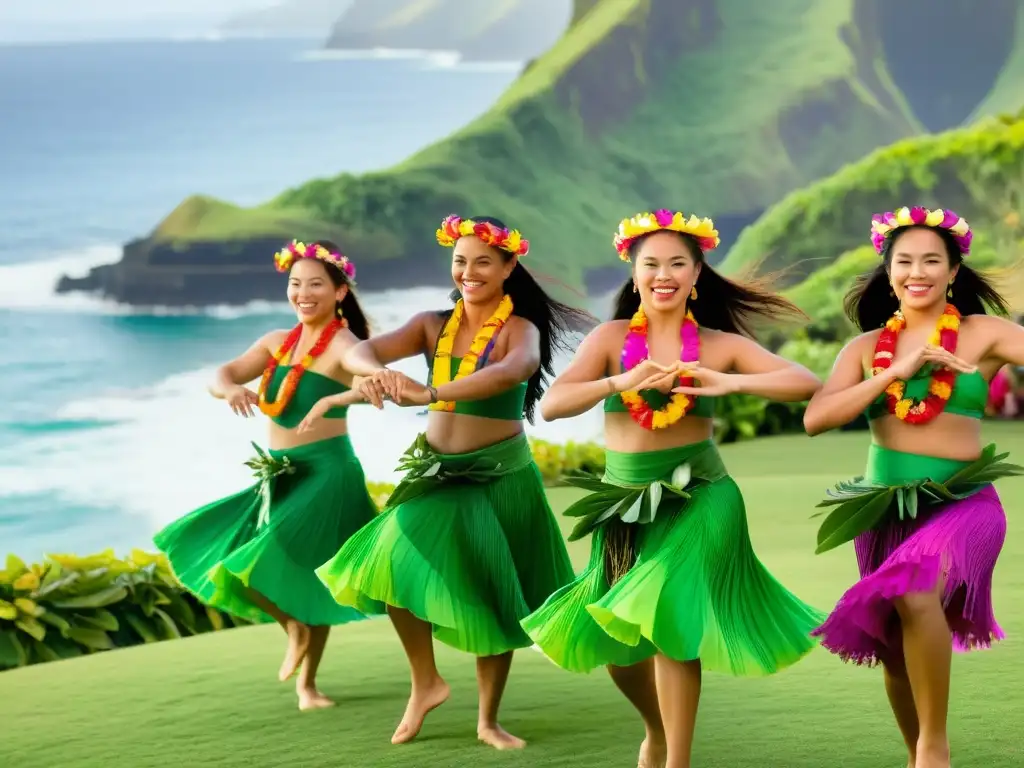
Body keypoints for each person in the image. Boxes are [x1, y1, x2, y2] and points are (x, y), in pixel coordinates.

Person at [519, 209, 826, 768]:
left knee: (671, 620)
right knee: (620, 648)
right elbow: (553, 405)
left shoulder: (715, 344)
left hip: (701, 495)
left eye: (677, 263)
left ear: (697, 273)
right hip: (625, 508)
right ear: (633, 275)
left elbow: (804, 382)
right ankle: (656, 733)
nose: (664, 274)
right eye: (651, 263)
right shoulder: (611, 341)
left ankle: (677, 761)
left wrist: (726, 379)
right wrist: (619, 381)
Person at [309, 215, 594, 750]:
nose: (469, 271)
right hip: (436, 473)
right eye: (460, 261)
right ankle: (427, 682)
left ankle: (489, 720)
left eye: (483, 261)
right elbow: (356, 350)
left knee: (493, 591)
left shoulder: (519, 330)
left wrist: (434, 392)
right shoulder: (430, 324)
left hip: (498, 474)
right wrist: (372, 371)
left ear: (509, 267)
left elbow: (515, 370)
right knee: (389, 558)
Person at [803, 206, 1024, 768]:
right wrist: (890, 374)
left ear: (954, 271)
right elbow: (817, 418)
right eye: (904, 261)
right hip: (884, 510)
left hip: (966, 504)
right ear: (888, 270)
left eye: (932, 260)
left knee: (914, 590)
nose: (917, 271)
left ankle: (933, 748)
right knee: (896, 651)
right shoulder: (864, 349)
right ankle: (916, 753)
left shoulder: (984, 335)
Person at [153, 240, 380, 711]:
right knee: (249, 563)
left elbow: (365, 369)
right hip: (279, 475)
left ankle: (307, 683)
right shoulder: (278, 343)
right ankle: (298, 642)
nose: (303, 292)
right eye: (296, 284)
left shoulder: (344, 343)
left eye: (316, 284)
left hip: (327, 473)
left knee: (298, 571)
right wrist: (231, 387)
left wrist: (369, 379)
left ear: (339, 292)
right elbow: (222, 373)